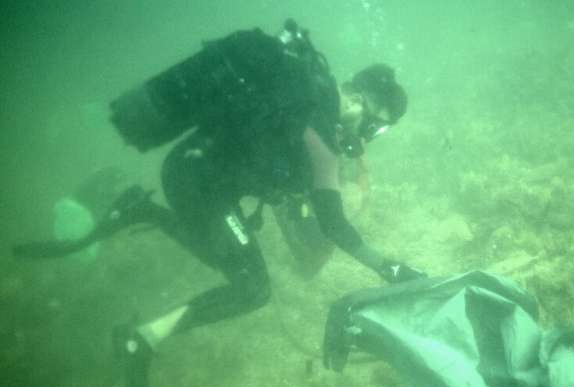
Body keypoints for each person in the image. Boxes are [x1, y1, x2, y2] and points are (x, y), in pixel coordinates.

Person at [14, 21, 425, 360]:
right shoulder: (317, 129)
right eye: (374, 125)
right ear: (355, 97)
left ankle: (143, 212)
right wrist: (389, 269)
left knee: (234, 256)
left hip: (192, 172)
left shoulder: (303, 96)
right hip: (198, 187)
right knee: (252, 288)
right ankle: (141, 339)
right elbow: (333, 223)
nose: (368, 136)